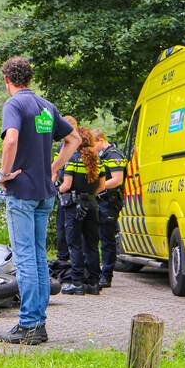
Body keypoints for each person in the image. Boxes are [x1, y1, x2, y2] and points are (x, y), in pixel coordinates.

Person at [0, 57, 80, 345]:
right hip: (45, 192)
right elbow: (75, 139)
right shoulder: (46, 107)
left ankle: (29, 325)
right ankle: (39, 323)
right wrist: (55, 167)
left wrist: (5, 173)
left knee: (25, 259)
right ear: (29, 78)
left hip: (21, 192)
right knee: (39, 257)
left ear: (7, 79)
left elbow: (10, 140)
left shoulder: (14, 105)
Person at [58, 128, 104, 295]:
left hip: (74, 206)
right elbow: (102, 186)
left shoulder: (73, 160)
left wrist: (57, 190)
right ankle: (94, 283)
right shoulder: (98, 161)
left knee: (75, 243)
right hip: (92, 205)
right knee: (92, 244)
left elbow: (67, 185)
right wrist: (90, 195)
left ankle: (77, 282)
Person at [95, 131, 127, 288]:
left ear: (101, 140)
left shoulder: (113, 155)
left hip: (109, 202)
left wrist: (97, 187)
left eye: (93, 145)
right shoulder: (103, 155)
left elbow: (117, 180)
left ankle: (107, 275)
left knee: (107, 240)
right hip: (100, 201)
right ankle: (98, 272)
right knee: (97, 238)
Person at [53, 115, 78, 274]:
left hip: (73, 195)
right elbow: (55, 170)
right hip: (65, 196)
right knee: (62, 229)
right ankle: (63, 264)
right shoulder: (61, 149)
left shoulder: (79, 148)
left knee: (71, 232)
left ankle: (72, 268)